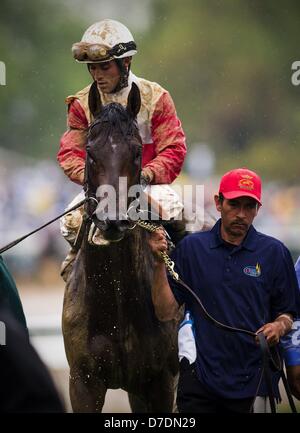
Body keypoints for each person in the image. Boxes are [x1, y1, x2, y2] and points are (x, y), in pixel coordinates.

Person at [148, 167, 298, 413]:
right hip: (199, 380)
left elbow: (288, 313)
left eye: (249, 206)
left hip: (255, 379)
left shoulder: (275, 253)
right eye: (234, 204)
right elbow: (165, 312)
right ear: (218, 203)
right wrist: (157, 263)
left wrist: (278, 327)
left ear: (258, 209)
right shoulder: (190, 249)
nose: (241, 214)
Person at [57, 19, 187, 279]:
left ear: (125, 63)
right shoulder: (81, 103)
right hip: (100, 188)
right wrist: (92, 178)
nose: (97, 75)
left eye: (104, 67)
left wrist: (146, 174)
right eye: (92, 68)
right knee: (69, 223)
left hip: (147, 185)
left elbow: (174, 149)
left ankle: (184, 276)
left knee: (180, 216)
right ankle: (75, 269)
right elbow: (69, 154)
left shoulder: (156, 97)